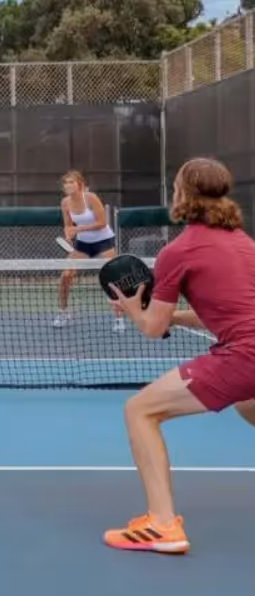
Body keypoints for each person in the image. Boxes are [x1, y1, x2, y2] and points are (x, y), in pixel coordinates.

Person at [105, 157, 255, 554]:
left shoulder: (180, 250)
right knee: (248, 403)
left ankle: (161, 523)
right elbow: (222, 316)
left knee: (141, 410)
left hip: (245, 355)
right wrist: (161, 314)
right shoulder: (245, 244)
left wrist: (138, 311)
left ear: (182, 194)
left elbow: (153, 329)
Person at [53, 170, 124, 332]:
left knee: (112, 278)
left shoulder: (90, 198)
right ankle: (63, 312)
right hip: (83, 244)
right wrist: (69, 233)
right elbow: (68, 225)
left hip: (104, 241)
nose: (68, 185)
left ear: (80, 184)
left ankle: (119, 318)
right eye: (66, 183)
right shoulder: (65, 203)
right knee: (65, 276)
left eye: (72, 182)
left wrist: (78, 229)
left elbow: (102, 222)